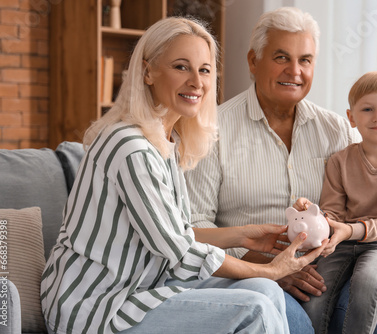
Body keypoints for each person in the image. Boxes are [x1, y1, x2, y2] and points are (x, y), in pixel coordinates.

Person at [40, 17, 327, 334]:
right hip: (96, 306)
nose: (196, 81)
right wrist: (272, 269)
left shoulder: (166, 143)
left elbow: (177, 231)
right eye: (181, 67)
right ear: (148, 71)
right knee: (256, 306)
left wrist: (242, 235)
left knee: (266, 292)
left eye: (204, 70)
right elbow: (179, 250)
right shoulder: (130, 147)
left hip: (143, 291)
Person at [184, 7, 377, 334]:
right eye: (281, 57)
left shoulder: (337, 130)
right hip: (254, 274)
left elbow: (376, 210)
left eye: (305, 60)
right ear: (253, 61)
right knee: (299, 324)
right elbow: (195, 224)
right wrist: (268, 266)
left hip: (333, 268)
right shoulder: (211, 130)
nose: (295, 71)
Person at [294, 71, 377, 333]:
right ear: (351, 117)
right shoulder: (339, 162)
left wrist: (352, 230)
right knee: (316, 291)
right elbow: (333, 211)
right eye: (367, 109)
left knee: (367, 279)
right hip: (342, 242)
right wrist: (318, 218)